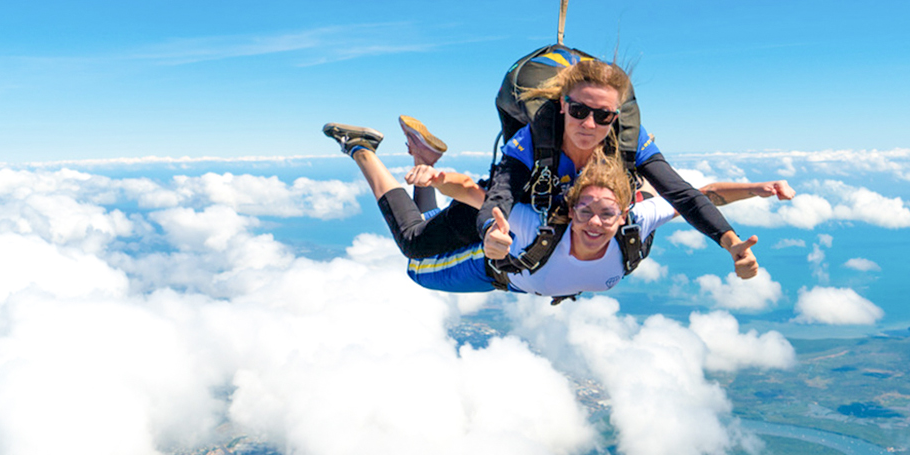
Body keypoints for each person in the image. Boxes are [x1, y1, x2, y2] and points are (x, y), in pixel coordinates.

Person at [322, 118, 794, 296]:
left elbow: (700, 196)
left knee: (428, 230)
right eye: (585, 211)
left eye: (607, 214)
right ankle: (363, 150)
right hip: (497, 235)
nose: (594, 222)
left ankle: (421, 156)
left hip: (500, 217)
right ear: (570, 206)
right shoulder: (536, 223)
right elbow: (473, 191)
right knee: (413, 253)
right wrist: (438, 179)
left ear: (624, 209)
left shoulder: (636, 217)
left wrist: (756, 189)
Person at [476, 57, 766, 279]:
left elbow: (682, 194)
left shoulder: (629, 141)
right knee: (435, 251)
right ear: (563, 105)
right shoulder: (533, 138)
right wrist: (491, 230)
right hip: (522, 228)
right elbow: (500, 195)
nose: (589, 125)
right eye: (578, 111)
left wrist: (730, 243)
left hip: (583, 235)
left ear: (615, 116)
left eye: (603, 116)